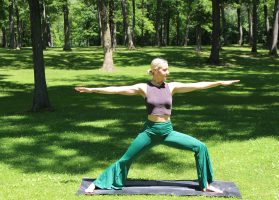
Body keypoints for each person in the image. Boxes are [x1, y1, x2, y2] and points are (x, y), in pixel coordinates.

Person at [75, 58, 239, 194]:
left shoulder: (172, 87)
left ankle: (206, 184)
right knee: (126, 159)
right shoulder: (144, 88)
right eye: (165, 70)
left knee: (200, 147)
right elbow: (117, 89)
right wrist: (92, 89)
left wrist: (219, 82)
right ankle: (98, 183)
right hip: (150, 132)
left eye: (168, 70)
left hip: (168, 131)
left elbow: (197, 85)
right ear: (155, 70)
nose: (168, 73)